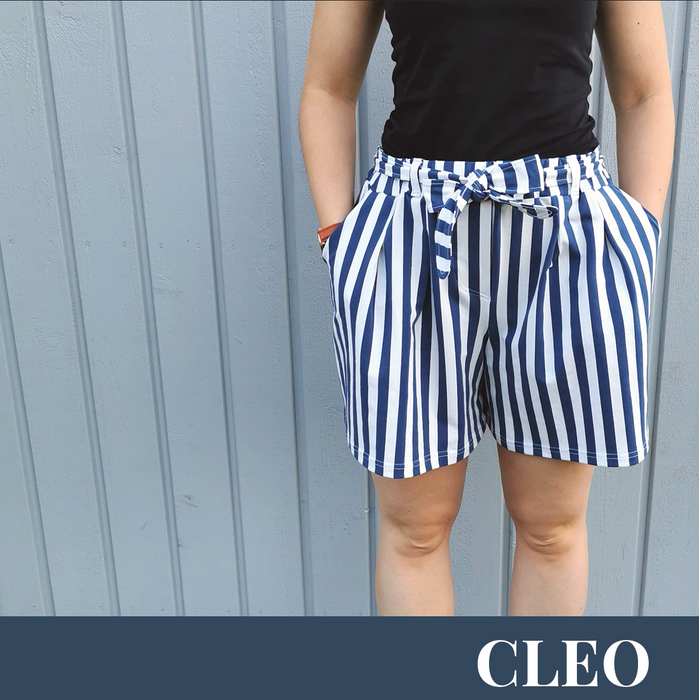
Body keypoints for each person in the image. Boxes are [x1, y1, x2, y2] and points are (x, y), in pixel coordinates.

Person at [298, 0, 674, 616]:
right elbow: (327, 89)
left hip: (563, 234)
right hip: (414, 232)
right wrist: (340, 241)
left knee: (551, 528)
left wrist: (636, 236)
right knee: (415, 530)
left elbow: (644, 94)